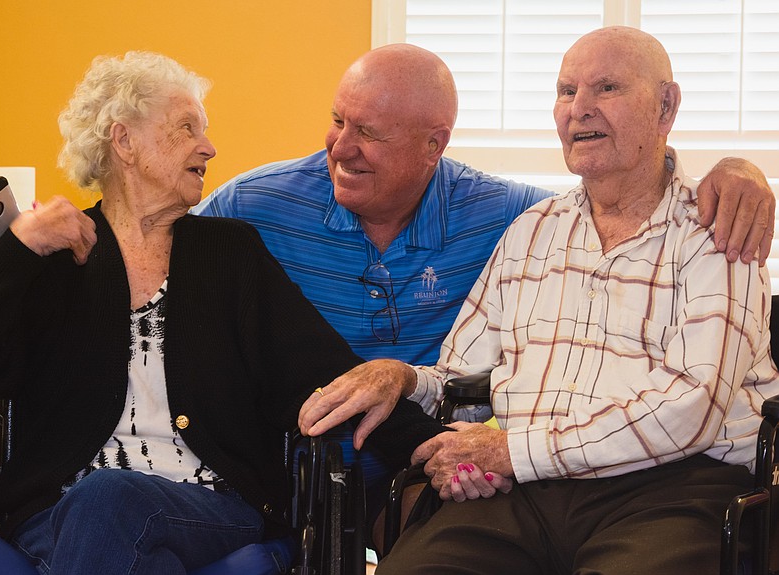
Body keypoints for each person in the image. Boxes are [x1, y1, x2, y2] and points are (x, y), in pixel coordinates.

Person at [0, 51, 445, 574]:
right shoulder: (54, 257)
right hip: (59, 514)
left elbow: (321, 368)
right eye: (186, 128)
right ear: (124, 141)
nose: (210, 147)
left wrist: (437, 445)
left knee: (113, 502)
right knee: (119, 526)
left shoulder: (229, 254)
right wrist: (15, 254)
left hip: (209, 510)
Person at [302, 27, 779, 574]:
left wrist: (511, 451)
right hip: (523, 491)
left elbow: (690, 411)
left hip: (675, 489)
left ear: (665, 105)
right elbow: (464, 380)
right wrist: (406, 379)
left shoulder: (720, 228)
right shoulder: (532, 229)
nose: (580, 109)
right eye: (565, 91)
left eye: (607, 88)